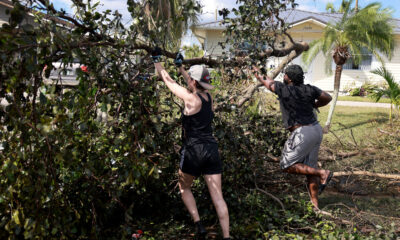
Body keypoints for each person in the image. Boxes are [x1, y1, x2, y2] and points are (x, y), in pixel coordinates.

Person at [151, 47, 230, 240]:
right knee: (217, 195)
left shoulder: (189, 98)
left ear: (194, 82)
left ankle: (199, 224)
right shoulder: (209, 98)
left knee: (184, 187)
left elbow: (168, 81)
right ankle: (227, 236)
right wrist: (181, 68)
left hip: (193, 150)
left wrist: (157, 61)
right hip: (211, 149)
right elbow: (192, 83)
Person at [252, 64, 334, 210]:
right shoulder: (310, 89)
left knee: (286, 165)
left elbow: (266, 81)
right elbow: (327, 97)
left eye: (285, 75)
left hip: (302, 133)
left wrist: (254, 69)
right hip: (316, 130)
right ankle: (315, 206)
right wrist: (315, 105)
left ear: (288, 78)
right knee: (309, 168)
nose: (283, 77)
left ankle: (323, 173)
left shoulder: (284, 89)